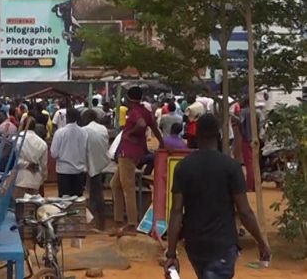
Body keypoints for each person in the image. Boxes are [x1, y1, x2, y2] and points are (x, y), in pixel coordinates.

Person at [165, 114, 270, 279]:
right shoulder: (231, 167)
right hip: (223, 244)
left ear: (196, 136)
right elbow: (244, 212)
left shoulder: (182, 167)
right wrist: (261, 242)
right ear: (219, 136)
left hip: (194, 244)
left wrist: (171, 254)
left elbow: (176, 211)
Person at [113, 86, 163, 237]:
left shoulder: (134, 112)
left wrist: (129, 133)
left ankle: (131, 224)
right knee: (115, 185)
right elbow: (153, 126)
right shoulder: (145, 111)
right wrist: (162, 143)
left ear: (128, 99)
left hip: (127, 152)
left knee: (128, 188)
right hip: (137, 152)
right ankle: (119, 221)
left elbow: (141, 125)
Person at [80, 110, 110, 230]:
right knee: (95, 191)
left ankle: (99, 221)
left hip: (90, 163)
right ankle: (96, 219)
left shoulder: (84, 131)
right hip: (104, 162)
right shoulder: (103, 128)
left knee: (95, 193)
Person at [50, 108, 88, 197]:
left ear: (66, 118)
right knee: (78, 200)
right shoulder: (84, 132)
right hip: (79, 171)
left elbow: (53, 153)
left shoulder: (59, 133)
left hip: (64, 171)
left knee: (65, 201)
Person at [13, 116, 49, 197]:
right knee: (32, 206)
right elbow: (44, 165)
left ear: (22, 125)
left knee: (18, 206)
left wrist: (25, 164)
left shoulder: (15, 139)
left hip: (19, 179)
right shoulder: (42, 143)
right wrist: (43, 178)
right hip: (35, 179)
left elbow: (12, 160)